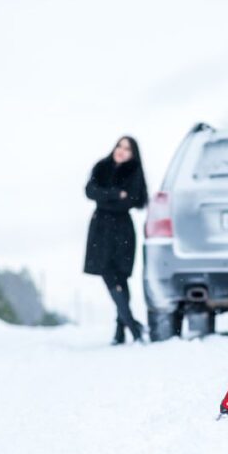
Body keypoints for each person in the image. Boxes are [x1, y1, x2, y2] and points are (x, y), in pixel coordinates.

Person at [83, 136, 149, 344]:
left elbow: (133, 200)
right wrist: (115, 193)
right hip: (100, 230)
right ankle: (133, 326)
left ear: (133, 153)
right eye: (120, 146)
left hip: (122, 230)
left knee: (120, 277)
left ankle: (121, 332)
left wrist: (107, 197)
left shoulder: (134, 172)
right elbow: (90, 191)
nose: (122, 150)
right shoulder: (100, 167)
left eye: (127, 149)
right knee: (108, 273)